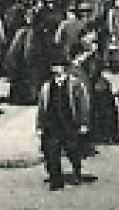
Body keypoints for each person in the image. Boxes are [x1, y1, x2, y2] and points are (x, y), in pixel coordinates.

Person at [36, 59, 91, 191]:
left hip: (69, 123)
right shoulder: (47, 87)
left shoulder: (75, 85)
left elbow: (83, 104)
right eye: (53, 67)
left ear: (64, 69)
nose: (55, 70)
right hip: (52, 124)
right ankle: (56, 180)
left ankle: (76, 170)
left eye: (58, 67)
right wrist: (40, 126)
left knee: (72, 149)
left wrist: (83, 123)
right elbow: (42, 107)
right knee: (51, 152)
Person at [88, 72, 119, 145]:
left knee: (105, 111)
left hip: (98, 84)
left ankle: (108, 135)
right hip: (96, 83)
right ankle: (109, 135)